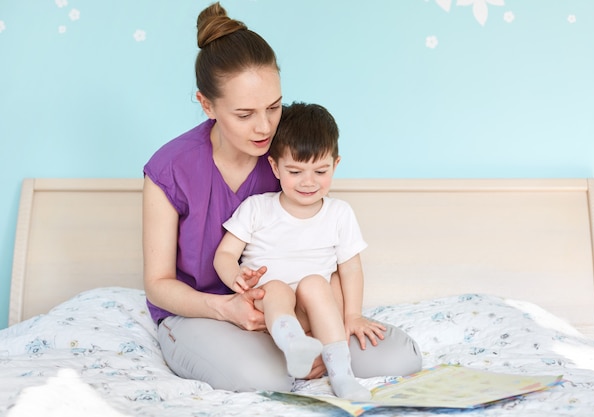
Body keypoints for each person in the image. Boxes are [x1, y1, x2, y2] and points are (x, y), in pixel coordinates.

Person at [142, 2, 422, 393]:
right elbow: (158, 283)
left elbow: (327, 248)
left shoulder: (288, 158)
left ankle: (303, 350)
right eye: (244, 114)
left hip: (290, 309)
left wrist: (334, 318)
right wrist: (224, 308)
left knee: (399, 357)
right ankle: (294, 355)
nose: (264, 126)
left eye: (274, 107)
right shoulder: (170, 168)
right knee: (261, 376)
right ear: (206, 105)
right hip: (201, 313)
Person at [215, 102, 379, 401]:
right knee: (275, 288)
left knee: (316, 283)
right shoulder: (257, 208)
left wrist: (353, 315)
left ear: (336, 164)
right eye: (295, 171)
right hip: (269, 315)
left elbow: (351, 268)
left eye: (320, 170)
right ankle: (294, 345)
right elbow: (225, 254)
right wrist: (236, 276)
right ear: (275, 166)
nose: (308, 182)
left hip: (314, 313)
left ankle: (342, 375)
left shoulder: (339, 213)